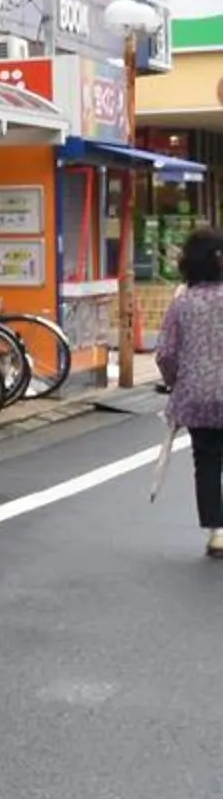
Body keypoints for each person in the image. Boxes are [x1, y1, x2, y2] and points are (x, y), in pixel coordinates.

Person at [157, 225, 223, 555]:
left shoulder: (182, 305)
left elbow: (166, 352)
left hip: (197, 397)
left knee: (207, 461)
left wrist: (173, 381)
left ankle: (217, 533)